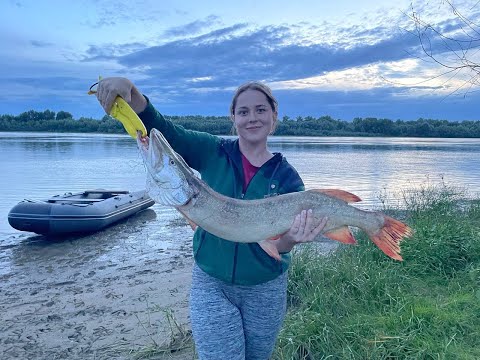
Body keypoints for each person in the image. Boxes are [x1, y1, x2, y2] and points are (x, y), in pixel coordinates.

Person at [95, 77, 327, 360]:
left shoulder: (288, 178)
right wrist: (132, 93)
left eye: (260, 110)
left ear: (274, 115)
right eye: (243, 111)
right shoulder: (213, 151)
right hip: (211, 284)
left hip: (265, 289)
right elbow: (167, 133)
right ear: (233, 117)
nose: (252, 118)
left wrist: (292, 239)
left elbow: (280, 247)